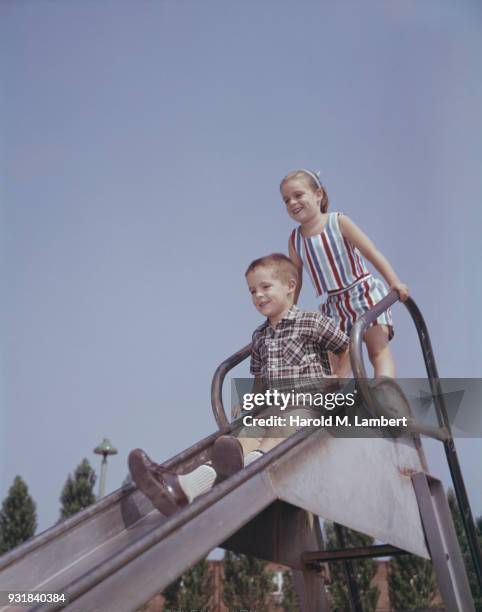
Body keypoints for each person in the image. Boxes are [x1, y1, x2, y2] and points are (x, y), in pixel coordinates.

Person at [129, 253, 351, 516]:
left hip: (307, 407)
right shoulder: (259, 335)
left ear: (290, 286)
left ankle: (254, 469)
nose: (258, 296)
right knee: (241, 439)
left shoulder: (312, 322)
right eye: (252, 291)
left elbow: (346, 347)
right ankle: (183, 488)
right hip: (271, 408)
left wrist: (338, 381)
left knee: (281, 427)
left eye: (265, 287)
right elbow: (258, 375)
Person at [281, 169, 409, 378]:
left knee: (376, 350)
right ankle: (336, 402)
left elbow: (371, 252)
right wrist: (288, 314)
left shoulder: (338, 222)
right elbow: (295, 281)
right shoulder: (295, 240)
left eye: (298, 195)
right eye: (286, 200)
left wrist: (394, 282)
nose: (292, 202)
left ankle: (385, 390)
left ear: (318, 194)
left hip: (363, 293)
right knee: (332, 363)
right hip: (334, 305)